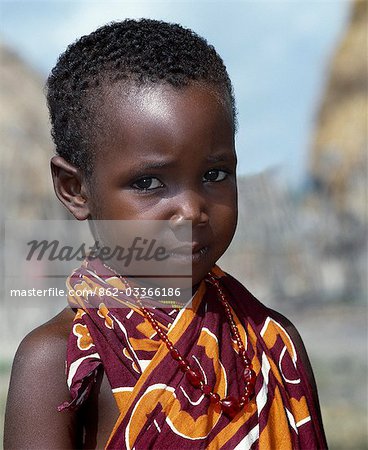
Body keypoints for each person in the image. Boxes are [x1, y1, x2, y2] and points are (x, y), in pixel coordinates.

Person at [4, 19, 327, 449]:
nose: (192, 210)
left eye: (214, 174)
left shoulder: (273, 342)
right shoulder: (57, 361)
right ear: (75, 189)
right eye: (149, 183)